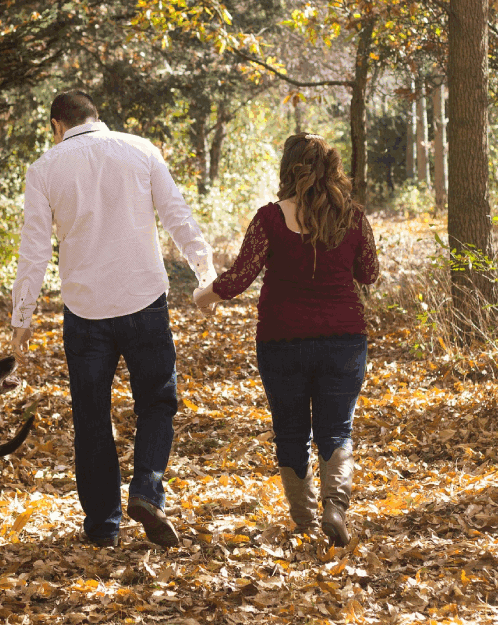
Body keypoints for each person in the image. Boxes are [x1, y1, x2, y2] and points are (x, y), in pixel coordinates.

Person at [10, 91, 216, 548]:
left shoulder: (44, 169)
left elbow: (34, 249)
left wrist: (22, 314)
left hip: (85, 312)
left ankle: (103, 527)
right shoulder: (141, 150)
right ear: (95, 116)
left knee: (91, 416)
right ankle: (146, 489)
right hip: (144, 300)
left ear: (55, 125)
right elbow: (177, 216)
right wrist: (207, 273)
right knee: (158, 402)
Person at [193, 133, 378, 546]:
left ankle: (306, 521)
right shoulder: (352, 216)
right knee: (337, 430)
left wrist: (203, 295)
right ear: (331, 168)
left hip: (282, 341)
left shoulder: (271, 218)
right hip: (344, 339)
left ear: (288, 169)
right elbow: (369, 273)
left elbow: (240, 277)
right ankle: (335, 506)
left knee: (291, 431)